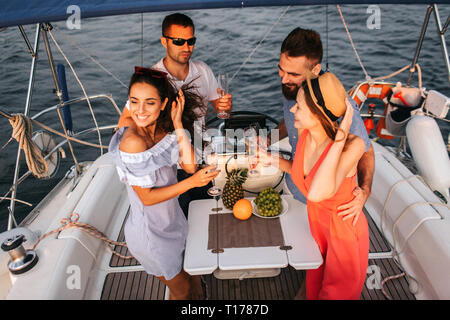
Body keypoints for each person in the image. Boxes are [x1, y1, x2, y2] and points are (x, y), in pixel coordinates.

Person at [109, 67, 219, 299]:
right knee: (181, 289)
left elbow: (189, 167)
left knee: (191, 276)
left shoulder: (163, 128)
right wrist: (193, 183)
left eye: (149, 103)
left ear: (163, 104)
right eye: (134, 102)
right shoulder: (133, 143)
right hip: (151, 234)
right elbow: (147, 198)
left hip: (172, 220)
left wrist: (178, 124)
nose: (140, 110)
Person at [258, 71, 369, 300]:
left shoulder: (352, 146)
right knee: (312, 292)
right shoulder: (305, 132)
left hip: (343, 237)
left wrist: (342, 132)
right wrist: (271, 160)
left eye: (298, 106)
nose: (292, 110)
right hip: (317, 231)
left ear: (318, 113)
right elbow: (303, 174)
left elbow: (318, 191)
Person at [118, 13, 232, 216]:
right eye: (179, 41)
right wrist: (156, 139)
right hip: (169, 165)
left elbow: (221, 110)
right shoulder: (153, 78)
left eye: (191, 41)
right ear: (164, 41)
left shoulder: (203, 70)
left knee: (207, 216)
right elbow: (125, 122)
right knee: (181, 216)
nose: (187, 47)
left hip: (198, 156)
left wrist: (225, 105)